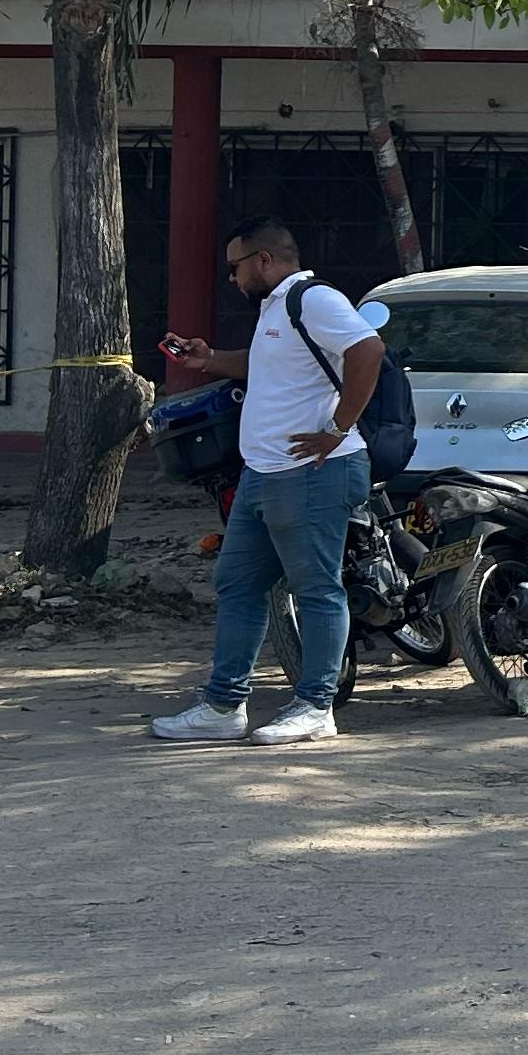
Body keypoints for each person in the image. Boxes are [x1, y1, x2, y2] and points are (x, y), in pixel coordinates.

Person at [146, 216, 385, 747]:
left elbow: (367, 351)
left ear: (264, 261)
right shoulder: (276, 308)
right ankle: (223, 706)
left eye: (236, 267)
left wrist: (338, 428)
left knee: (317, 589)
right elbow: (267, 367)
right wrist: (210, 360)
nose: (232, 278)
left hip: (314, 472)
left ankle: (316, 706)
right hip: (263, 473)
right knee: (237, 584)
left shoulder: (313, 298)